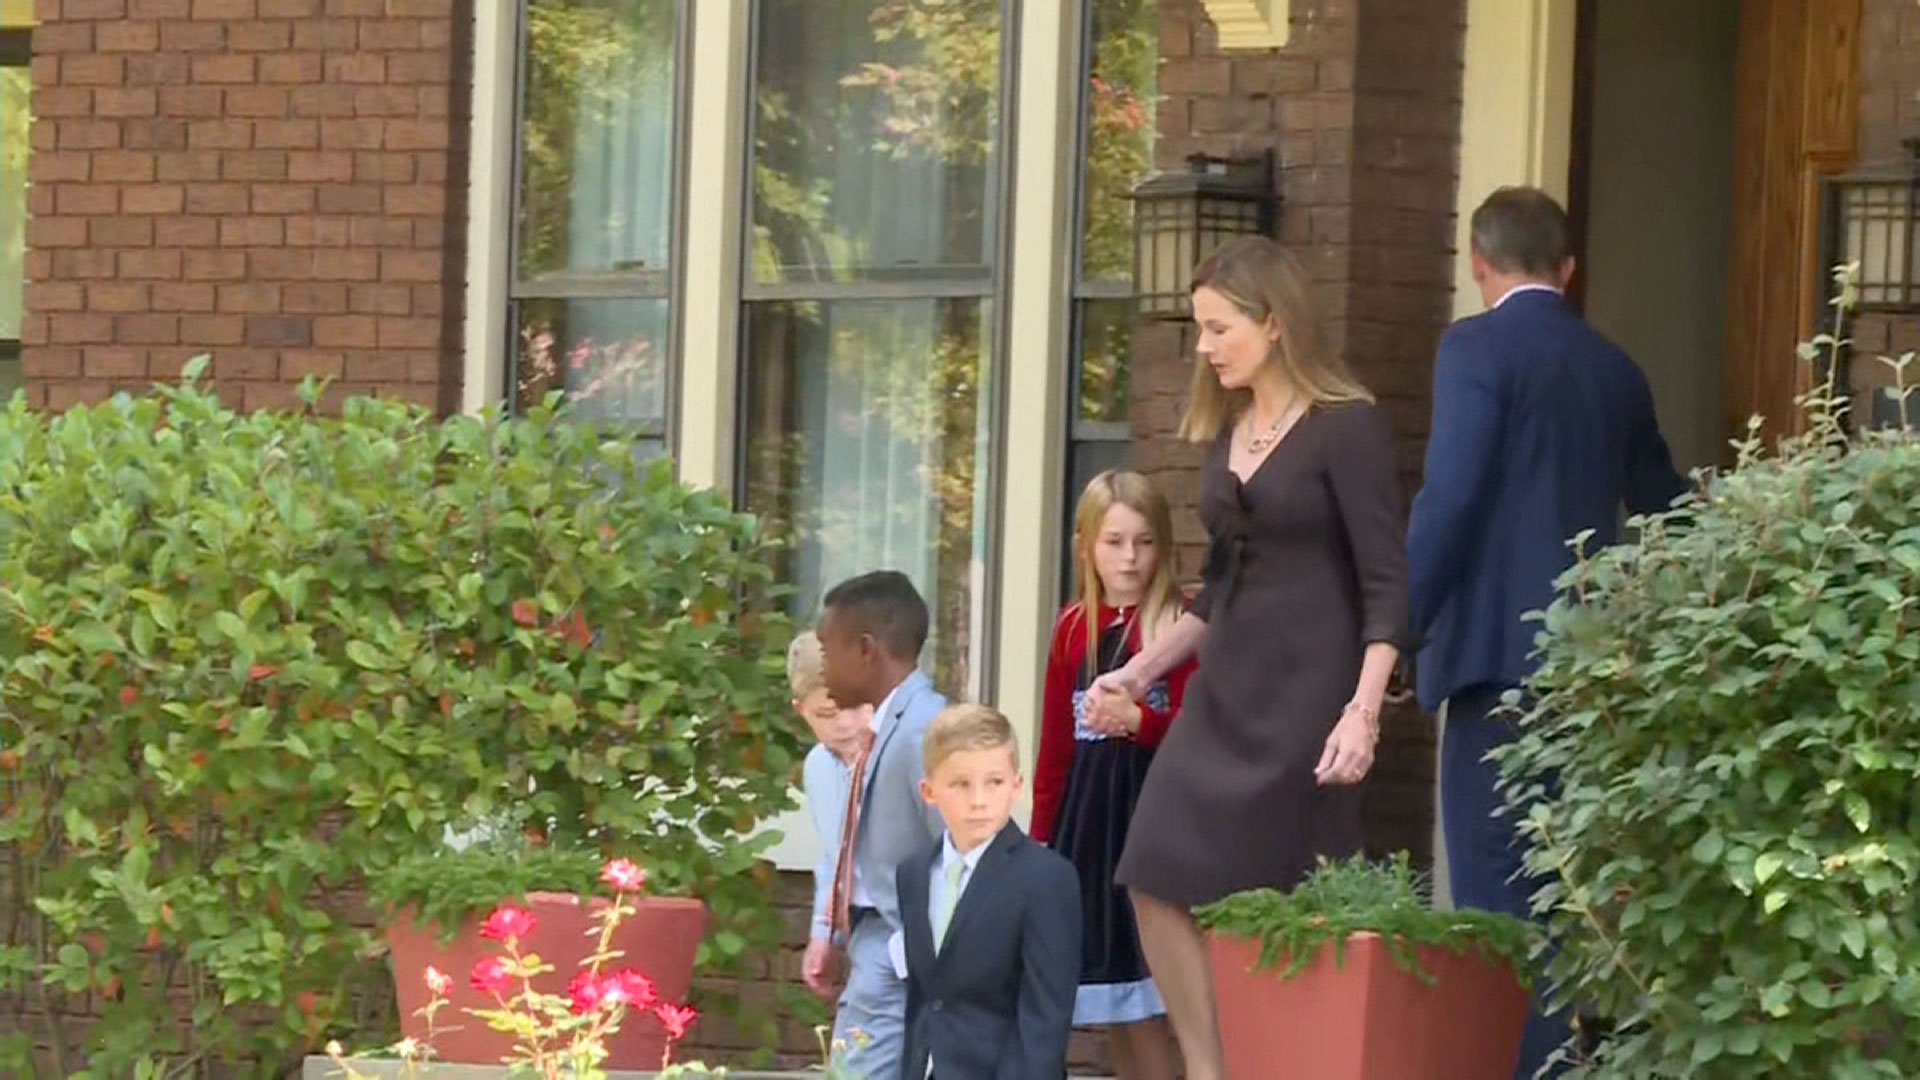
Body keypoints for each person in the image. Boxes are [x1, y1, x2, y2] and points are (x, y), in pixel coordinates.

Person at [1089, 235, 1409, 1080]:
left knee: (1288, 891)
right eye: (1199, 328)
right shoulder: (1226, 431)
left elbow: (1386, 583)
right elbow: (1217, 589)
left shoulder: (1348, 427)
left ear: (1273, 324)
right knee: (1152, 865)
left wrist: (1363, 711)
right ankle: (1210, 1068)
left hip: (1310, 698)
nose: (1202, 345)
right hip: (1226, 692)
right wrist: (1141, 669)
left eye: (1217, 327)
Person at [1407, 186, 1684, 1079]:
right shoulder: (1615, 369)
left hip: (1494, 672)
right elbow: (1664, 511)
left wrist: (1394, 629)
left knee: (1498, 910)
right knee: (1572, 905)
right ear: (1569, 270)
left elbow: (1447, 498)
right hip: (1591, 678)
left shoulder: (1473, 348)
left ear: (1477, 265)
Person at [1031, 470, 1193, 1080]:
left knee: (1148, 998)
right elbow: (1055, 748)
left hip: (1150, 821)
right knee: (1112, 1001)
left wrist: (1139, 723)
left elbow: (1198, 728)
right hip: (1086, 829)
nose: (1129, 557)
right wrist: (1043, 841)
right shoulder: (1072, 628)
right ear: (1086, 546)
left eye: (1144, 542)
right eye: (1114, 540)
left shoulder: (1177, 628)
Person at [896, 704, 1081, 1080]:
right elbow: (923, 999)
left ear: (1016, 785)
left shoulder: (1046, 879)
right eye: (961, 784)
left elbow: (1044, 1021)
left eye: (994, 782)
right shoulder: (913, 874)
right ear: (928, 791)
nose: (978, 800)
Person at [814, 570, 950, 1080]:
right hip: (874, 946)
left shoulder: (922, 731)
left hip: (897, 954)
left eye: (829, 649)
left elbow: (958, 853)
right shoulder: (891, 724)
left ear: (867, 649)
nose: (823, 668)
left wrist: (908, 953)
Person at [787, 631, 876, 997]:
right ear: (801, 710)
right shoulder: (818, 768)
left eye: (854, 707)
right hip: (859, 930)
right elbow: (834, 856)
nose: (844, 724)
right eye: (826, 713)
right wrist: (823, 934)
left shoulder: (898, 755)